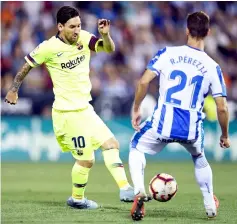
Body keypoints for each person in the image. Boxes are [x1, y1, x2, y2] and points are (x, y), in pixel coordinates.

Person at [5, 6, 134, 209]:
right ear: (60, 26)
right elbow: (27, 65)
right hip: (67, 114)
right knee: (87, 160)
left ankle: (126, 188)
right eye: (72, 27)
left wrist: (106, 36)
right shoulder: (48, 47)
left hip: (85, 109)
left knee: (111, 144)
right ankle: (77, 199)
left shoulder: (83, 37)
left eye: (79, 25)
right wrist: (14, 89)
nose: (76, 30)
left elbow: (107, 48)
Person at [129, 11, 230, 221]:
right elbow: (222, 108)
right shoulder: (213, 67)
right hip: (191, 129)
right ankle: (209, 203)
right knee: (199, 158)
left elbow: (143, 82)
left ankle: (139, 191)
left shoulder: (167, 53)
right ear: (208, 32)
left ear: (186, 31)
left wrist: (137, 107)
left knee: (136, 146)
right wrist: (225, 135)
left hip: (162, 124)